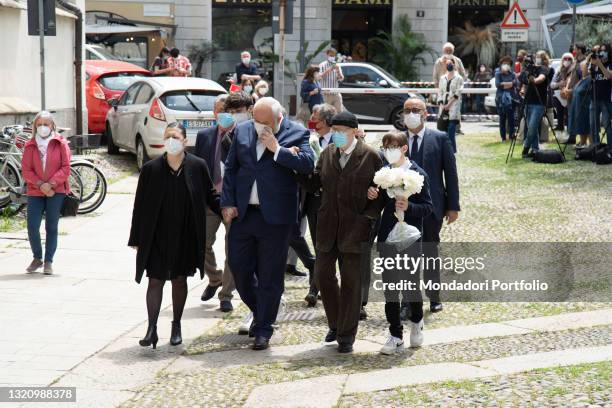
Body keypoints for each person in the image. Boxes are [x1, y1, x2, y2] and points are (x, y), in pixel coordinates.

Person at [221, 97, 314, 351]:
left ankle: (264, 328)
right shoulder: (242, 130)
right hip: (244, 215)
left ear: (277, 119)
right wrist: (227, 202)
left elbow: (308, 164)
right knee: (239, 268)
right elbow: (230, 169)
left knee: (270, 276)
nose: (259, 127)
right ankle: (261, 311)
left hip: (276, 218)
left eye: (264, 123)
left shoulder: (296, 132)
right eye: (256, 121)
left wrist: (278, 150)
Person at [297, 110, 385, 353]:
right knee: (323, 275)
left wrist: (368, 216)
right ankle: (336, 323)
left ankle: (347, 335)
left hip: (356, 228)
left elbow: (381, 193)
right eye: (333, 131)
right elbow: (315, 181)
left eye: (341, 131)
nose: (336, 135)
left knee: (351, 282)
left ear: (355, 131)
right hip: (327, 227)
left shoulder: (370, 156)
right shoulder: (327, 153)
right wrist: (296, 167)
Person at [129, 122, 220, 349]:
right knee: (155, 279)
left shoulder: (197, 166)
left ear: (184, 141)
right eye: (168, 136)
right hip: (157, 235)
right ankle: (151, 328)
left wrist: (227, 211)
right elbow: (139, 205)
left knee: (179, 280)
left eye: (176, 136)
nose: (172, 140)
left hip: (186, 234)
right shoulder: (151, 169)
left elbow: (210, 195)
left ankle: (176, 325)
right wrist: (137, 239)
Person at [366, 132, 433, 353]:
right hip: (388, 235)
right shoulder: (383, 174)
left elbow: (427, 207)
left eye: (393, 146)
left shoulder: (418, 174)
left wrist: (409, 207)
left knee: (411, 285)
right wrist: (373, 194)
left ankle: (416, 320)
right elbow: (379, 203)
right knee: (391, 287)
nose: (388, 151)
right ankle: (395, 334)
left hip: (411, 236)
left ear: (404, 148)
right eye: (385, 147)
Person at [399, 97, 460, 318]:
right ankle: (408, 301)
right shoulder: (398, 140)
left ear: (425, 113)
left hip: (432, 207)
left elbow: (450, 174)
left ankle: (434, 297)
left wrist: (453, 206)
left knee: (430, 252)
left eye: (415, 110)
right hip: (404, 208)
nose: (411, 114)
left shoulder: (440, 138)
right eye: (407, 110)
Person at [195, 94, 247, 313]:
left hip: (233, 202)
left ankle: (226, 294)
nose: (222, 114)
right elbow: (197, 169)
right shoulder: (204, 136)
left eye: (227, 110)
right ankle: (214, 278)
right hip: (210, 200)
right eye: (218, 111)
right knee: (201, 243)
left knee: (232, 250)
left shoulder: (242, 135)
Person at [21, 111, 71, 275]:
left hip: (55, 191)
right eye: (39, 124)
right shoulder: (30, 145)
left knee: (52, 226)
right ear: (35, 126)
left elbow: (65, 168)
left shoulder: (60, 143)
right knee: (32, 226)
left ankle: (48, 261)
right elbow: (26, 170)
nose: (43, 127)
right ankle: (37, 257)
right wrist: (41, 184)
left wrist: (51, 184)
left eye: (46, 124)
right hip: (36, 191)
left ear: (52, 126)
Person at [519, 53, 550, 158]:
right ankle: (535, 149)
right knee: (532, 128)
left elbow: (541, 78)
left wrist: (534, 80)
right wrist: (527, 75)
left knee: (532, 127)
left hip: (539, 103)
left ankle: (526, 147)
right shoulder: (526, 71)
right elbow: (523, 80)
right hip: (528, 102)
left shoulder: (544, 69)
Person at [437, 55, 464, 153]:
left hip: (454, 105)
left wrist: (449, 104)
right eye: (447, 63)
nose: (449, 65)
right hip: (443, 105)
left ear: (454, 64)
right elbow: (440, 91)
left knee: (451, 129)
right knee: (442, 129)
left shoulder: (459, 78)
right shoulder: (442, 78)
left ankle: (452, 150)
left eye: (450, 63)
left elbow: (458, 92)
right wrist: (441, 104)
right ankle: (443, 150)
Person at [588, 44, 612, 145]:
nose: (602, 53)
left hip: (606, 99)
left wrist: (600, 64)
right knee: (593, 124)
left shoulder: (610, 63)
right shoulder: (595, 65)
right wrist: (590, 63)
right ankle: (595, 146)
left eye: (604, 50)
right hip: (594, 98)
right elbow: (588, 76)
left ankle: (610, 148)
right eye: (600, 51)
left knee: (607, 124)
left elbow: (608, 75)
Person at [567, 61, 593, 148]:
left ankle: (592, 145)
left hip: (585, 106)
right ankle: (583, 143)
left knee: (587, 126)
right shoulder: (582, 79)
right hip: (578, 106)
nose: (581, 70)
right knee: (581, 126)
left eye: (582, 67)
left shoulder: (590, 79)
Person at [495, 56, 518, 142]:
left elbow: (516, 84)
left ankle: (512, 136)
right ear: (501, 64)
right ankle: (503, 137)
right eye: (504, 63)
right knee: (502, 119)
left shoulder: (513, 74)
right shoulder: (498, 74)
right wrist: (510, 84)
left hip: (511, 98)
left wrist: (505, 84)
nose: (506, 65)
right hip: (500, 99)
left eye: (508, 64)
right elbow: (498, 84)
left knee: (511, 119)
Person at [550, 53, 575, 132]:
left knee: (569, 114)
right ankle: (560, 127)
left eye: (569, 59)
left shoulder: (574, 70)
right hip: (559, 95)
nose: (567, 61)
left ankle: (570, 130)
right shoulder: (558, 70)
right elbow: (552, 84)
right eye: (565, 59)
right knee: (559, 113)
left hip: (570, 94)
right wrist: (559, 84)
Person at [318, 48, 345, 112]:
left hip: (335, 93)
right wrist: (330, 69)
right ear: (327, 55)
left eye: (333, 56)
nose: (332, 57)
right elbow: (319, 77)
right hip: (325, 94)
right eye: (331, 55)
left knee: (339, 112)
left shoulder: (337, 65)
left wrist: (338, 71)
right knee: (325, 113)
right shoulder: (322, 65)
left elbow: (341, 79)